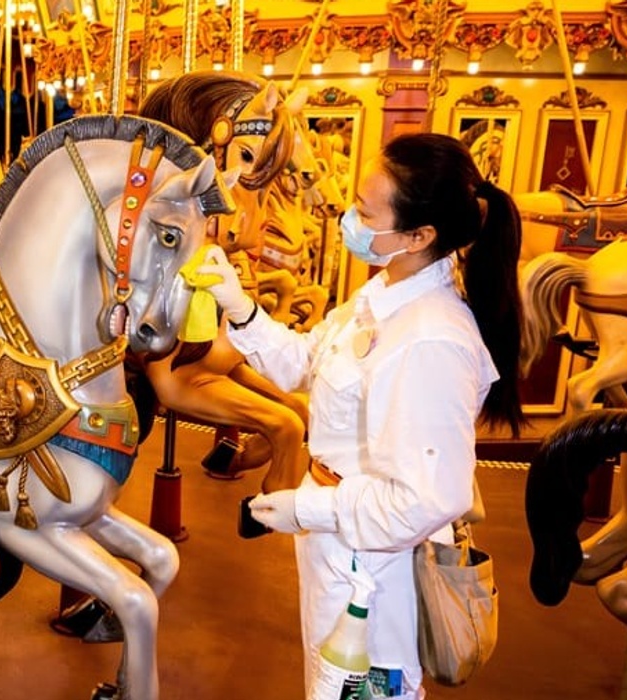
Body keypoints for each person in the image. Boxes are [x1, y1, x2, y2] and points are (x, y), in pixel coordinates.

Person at [197, 132, 525, 699]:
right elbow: (305, 361)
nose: (349, 218)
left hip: (377, 564)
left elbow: (427, 498)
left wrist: (306, 506)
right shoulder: (380, 296)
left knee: (357, 687)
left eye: (364, 212)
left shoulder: (430, 339)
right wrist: (238, 305)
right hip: (340, 544)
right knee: (325, 679)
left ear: (419, 235)